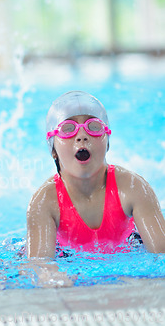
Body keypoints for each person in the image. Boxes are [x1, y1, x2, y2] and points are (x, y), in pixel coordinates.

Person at [27, 90, 165, 258]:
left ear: (107, 141)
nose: (82, 136)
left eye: (93, 127)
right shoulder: (44, 202)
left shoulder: (133, 188)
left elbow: (162, 256)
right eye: (68, 129)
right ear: (53, 149)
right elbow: (39, 270)